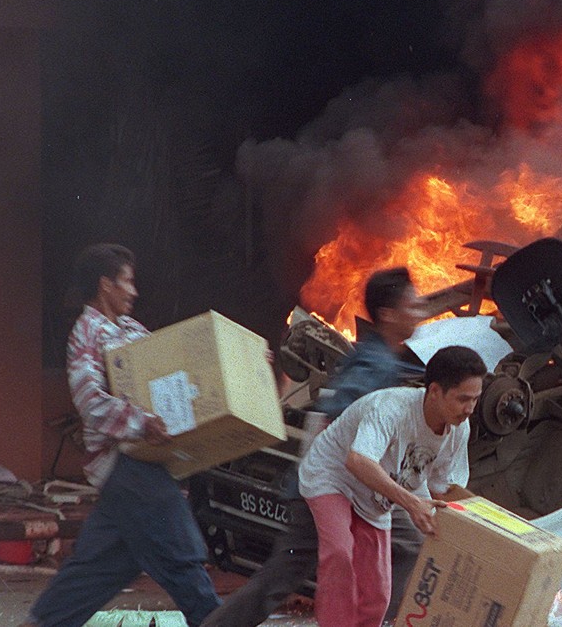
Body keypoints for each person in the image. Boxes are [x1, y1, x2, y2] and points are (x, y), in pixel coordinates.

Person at [201, 266, 432, 626]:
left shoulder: (371, 353)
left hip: (336, 486)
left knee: (284, 576)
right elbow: (336, 416)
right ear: (388, 314)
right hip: (332, 488)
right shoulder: (376, 365)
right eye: (412, 305)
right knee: (408, 543)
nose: (419, 312)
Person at [23, 244, 222, 627]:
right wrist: (140, 422)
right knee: (183, 557)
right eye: (127, 281)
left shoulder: (131, 330)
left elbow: (170, 372)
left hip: (141, 466)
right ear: (105, 285)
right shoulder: (86, 334)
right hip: (128, 465)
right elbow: (89, 402)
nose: (134, 291)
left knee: (96, 570)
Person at [297, 345, 485, 627]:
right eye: (462, 399)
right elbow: (358, 461)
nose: (469, 409)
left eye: (475, 400)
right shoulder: (389, 409)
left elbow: (442, 489)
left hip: (379, 493)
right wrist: (411, 504)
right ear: (434, 391)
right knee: (340, 552)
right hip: (334, 476)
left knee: (378, 594)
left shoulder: (459, 429)